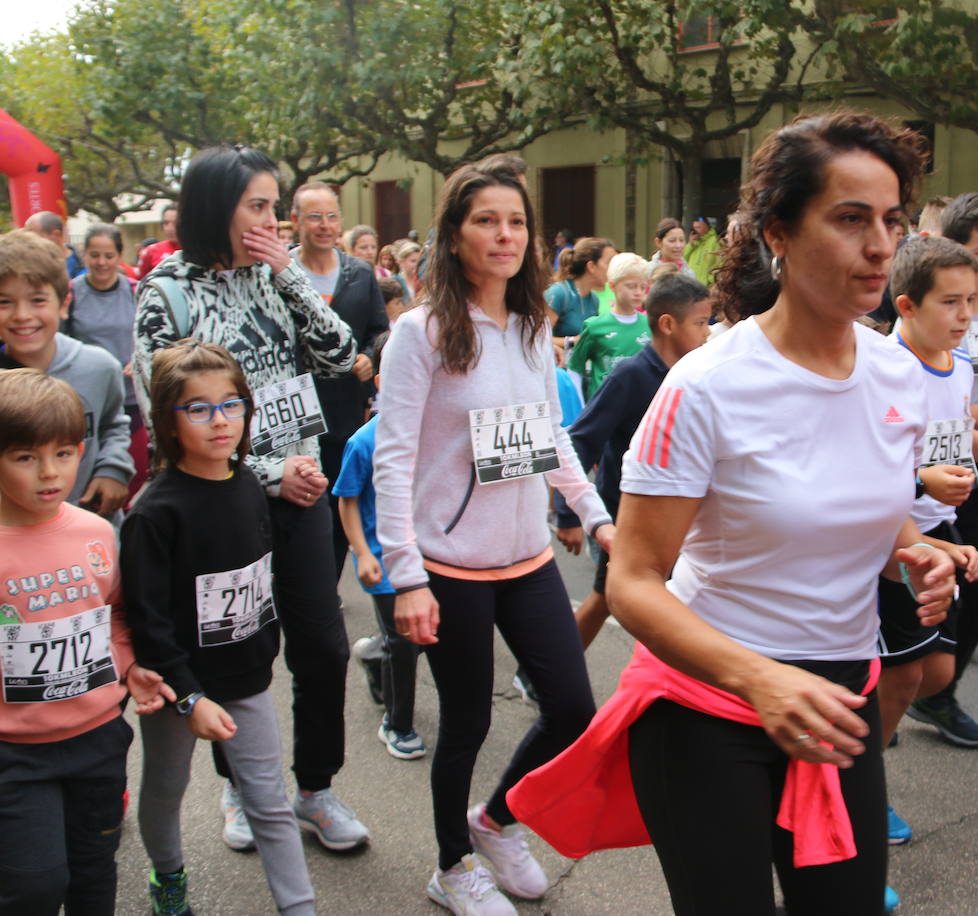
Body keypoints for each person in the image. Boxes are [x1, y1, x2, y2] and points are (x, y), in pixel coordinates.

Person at [506, 111, 958, 916]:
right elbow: (635, 583)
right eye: (850, 219)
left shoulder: (897, 374)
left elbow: (861, 502)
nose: (883, 246)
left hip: (836, 704)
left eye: (891, 220)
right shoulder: (707, 386)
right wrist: (758, 678)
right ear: (778, 235)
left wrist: (913, 549)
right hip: (708, 705)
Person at [372, 160, 616, 915]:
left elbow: (551, 438)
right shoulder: (422, 333)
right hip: (449, 566)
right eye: (485, 220)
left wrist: (597, 514)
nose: (504, 235)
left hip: (528, 556)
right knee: (467, 721)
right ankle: (451, 865)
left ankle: (496, 821)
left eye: (515, 221)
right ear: (453, 234)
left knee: (574, 710)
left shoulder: (535, 324)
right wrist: (405, 573)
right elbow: (393, 456)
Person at [133, 145, 368, 854]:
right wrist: (267, 472)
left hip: (300, 496)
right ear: (215, 208)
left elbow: (338, 354)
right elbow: (164, 421)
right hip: (221, 504)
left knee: (323, 649)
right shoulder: (166, 292)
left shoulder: (275, 278)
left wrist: (288, 273)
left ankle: (315, 788)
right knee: (235, 657)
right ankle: (239, 787)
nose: (274, 222)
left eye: (276, 208)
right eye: (258, 208)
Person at [122, 340, 317, 916]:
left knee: (269, 799)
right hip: (179, 687)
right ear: (168, 419)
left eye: (231, 405)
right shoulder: (153, 513)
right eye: (198, 408)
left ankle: (299, 906)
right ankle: (168, 877)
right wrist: (189, 696)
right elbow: (149, 622)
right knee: (166, 787)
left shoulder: (246, 485)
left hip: (248, 678)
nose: (219, 421)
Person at [879, 236, 978, 806]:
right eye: (950, 303)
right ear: (906, 306)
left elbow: (946, 436)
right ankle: (861, 789)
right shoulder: (885, 370)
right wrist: (923, 481)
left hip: (940, 526)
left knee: (936, 674)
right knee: (901, 674)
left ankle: (869, 719)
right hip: (895, 535)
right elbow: (873, 462)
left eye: (970, 301)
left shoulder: (960, 362)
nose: (966, 315)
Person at [0, 369, 170, 916]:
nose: (50, 473)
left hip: (98, 739)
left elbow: (115, 614)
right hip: (15, 753)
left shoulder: (96, 532)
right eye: (25, 457)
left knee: (94, 872)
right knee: (36, 882)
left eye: (65, 453)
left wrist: (126, 666)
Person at [906, 192, 978, 749]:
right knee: (914, 604)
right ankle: (904, 687)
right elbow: (922, 414)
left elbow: (975, 384)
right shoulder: (930, 315)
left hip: (975, 468)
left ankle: (932, 690)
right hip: (933, 475)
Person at [556, 272, 712, 649]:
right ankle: (546, 678)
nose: (707, 333)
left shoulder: (696, 374)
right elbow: (580, 440)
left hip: (679, 514)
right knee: (614, 600)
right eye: (700, 323)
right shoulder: (630, 374)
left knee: (631, 600)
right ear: (668, 324)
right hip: (626, 516)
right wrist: (567, 514)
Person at [289, 182, 389, 578]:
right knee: (297, 498)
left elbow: (378, 330)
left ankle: (325, 583)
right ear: (296, 220)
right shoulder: (278, 273)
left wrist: (366, 356)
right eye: (314, 216)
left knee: (335, 498)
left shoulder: (359, 274)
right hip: (294, 410)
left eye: (331, 216)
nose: (324, 225)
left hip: (344, 407)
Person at [332, 332, 424, 760]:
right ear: (382, 383)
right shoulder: (364, 441)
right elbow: (347, 500)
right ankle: (397, 722)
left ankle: (375, 654)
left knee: (418, 639)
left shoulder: (435, 433)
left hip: (430, 557)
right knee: (406, 643)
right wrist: (362, 552)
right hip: (383, 561)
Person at [0, 230, 133, 520]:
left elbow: (113, 424)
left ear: (63, 304)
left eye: (37, 300)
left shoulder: (98, 367)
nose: (22, 315)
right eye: (5, 302)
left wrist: (113, 469)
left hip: (92, 530)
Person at [68, 224, 148, 500]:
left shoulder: (137, 291)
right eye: (94, 255)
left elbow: (152, 336)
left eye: (108, 255)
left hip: (132, 399)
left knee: (134, 474)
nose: (101, 263)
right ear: (84, 255)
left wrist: (139, 358)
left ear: (119, 255)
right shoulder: (71, 294)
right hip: (86, 404)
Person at [565, 252, 651, 399]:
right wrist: (580, 409)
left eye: (643, 287)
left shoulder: (650, 325)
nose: (638, 292)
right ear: (612, 286)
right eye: (631, 286)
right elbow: (575, 369)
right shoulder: (595, 326)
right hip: (603, 408)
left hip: (639, 409)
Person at [545, 236, 616, 356]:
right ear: (591, 266)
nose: (614, 268)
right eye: (610, 262)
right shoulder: (559, 293)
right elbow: (538, 338)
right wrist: (572, 341)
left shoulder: (594, 299)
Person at [23, 210, 82, 278]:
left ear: (56, 235)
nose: (29, 241)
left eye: (34, 236)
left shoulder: (85, 267)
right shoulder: (29, 267)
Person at [137, 206, 181, 279]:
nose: (170, 228)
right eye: (166, 223)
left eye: (175, 223)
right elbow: (141, 282)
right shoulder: (150, 251)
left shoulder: (197, 252)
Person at [683, 216, 722, 283]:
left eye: (698, 227)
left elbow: (720, 262)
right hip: (691, 283)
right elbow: (683, 258)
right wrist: (690, 244)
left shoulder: (714, 241)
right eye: (694, 228)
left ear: (707, 227)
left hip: (705, 285)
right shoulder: (694, 242)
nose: (696, 230)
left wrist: (711, 279)